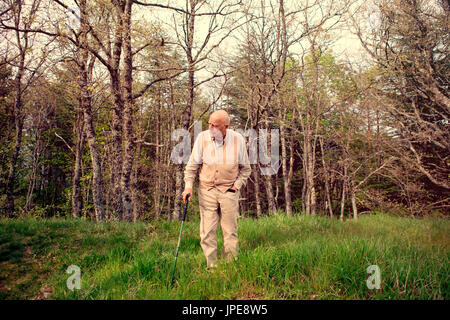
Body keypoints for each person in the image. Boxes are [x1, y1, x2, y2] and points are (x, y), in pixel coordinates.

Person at [182, 110, 251, 268]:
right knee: (207, 232)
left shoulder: (238, 139)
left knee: (230, 231)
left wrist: (236, 187)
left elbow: (246, 169)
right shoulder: (202, 138)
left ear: (226, 126)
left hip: (229, 190)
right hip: (207, 190)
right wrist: (188, 187)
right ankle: (211, 267)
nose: (211, 127)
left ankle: (231, 266)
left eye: (216, 125)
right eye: (209, 124)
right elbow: (192, 167)